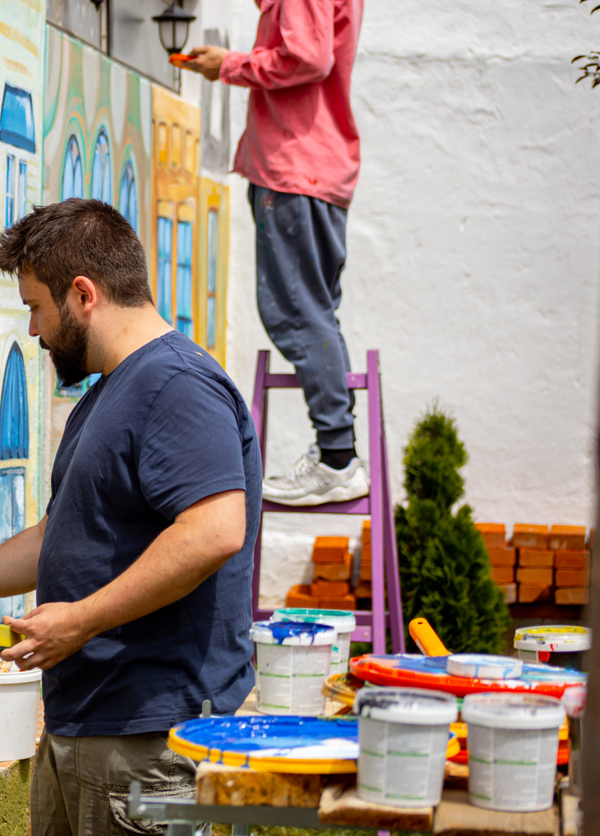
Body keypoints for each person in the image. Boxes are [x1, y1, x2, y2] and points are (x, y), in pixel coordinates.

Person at [0, 199, 262, 835]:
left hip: (152, 735)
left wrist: (79, 621)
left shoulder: (178, 384)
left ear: (83, 294)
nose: (36, 331)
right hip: (87, 722)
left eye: (37, 308)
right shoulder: (107, 396)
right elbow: (59, 537)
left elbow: (214, 531)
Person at [179, 0, 369, 506]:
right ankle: (338, 452)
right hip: (314, 171)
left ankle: (336, 458)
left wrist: (230, 65)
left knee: (295, 313)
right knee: (312, 311)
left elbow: (308, 57)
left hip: (295, 170)